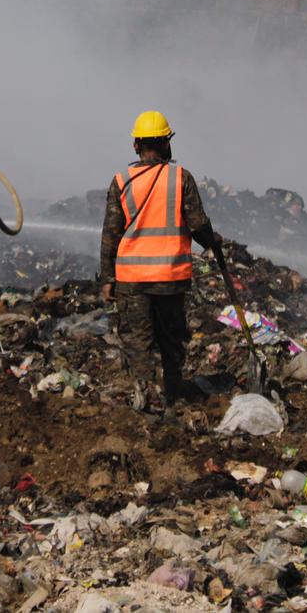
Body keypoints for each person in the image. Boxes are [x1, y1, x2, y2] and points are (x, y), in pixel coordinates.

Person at [99, 111, 218, 416]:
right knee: (171, 337)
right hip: (170, 277)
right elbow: (198, 224)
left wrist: (107, 279)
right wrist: (214, 242)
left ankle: (145, 392)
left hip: (132, 279)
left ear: (136, 145)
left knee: (137, 339)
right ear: (166, 143)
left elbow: (110, 234)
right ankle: (173, 394)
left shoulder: (121, 181)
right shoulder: (181, 179)